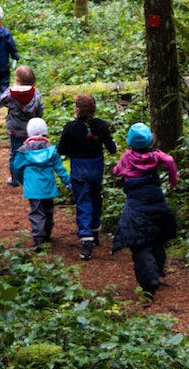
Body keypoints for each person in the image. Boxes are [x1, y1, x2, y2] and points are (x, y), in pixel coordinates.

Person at [111, 122, 177, 300]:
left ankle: (149, 281)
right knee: (158, 237)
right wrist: (173, 181)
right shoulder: (155, 155)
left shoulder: (127, 157)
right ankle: (160, 271)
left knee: (139, 242)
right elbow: (170, 161)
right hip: (156, 200)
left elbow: (116, 172)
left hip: (136, 205)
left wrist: (118, 172)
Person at [57, 94, 117, 260]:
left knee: (83, 200)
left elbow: (61, 150)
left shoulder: (70, 127)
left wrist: (73, 150)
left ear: (77, 109)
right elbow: (112, 149)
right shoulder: (102, 126)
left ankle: (86, 238)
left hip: (78, 168)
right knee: (95, 196)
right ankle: (95, 229)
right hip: (96, 168)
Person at [12, 118, 72, 251]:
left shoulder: (23, 150)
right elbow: (60, 168)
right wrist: (68, 182)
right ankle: (47, 233)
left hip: (33, 188)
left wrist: (23, 181)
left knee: (37, 212)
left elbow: (16, 168)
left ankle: (38, 239)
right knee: (48, 210)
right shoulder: (51, 149)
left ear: (29, 133)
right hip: (48, 186)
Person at [0, 65, 44, 186]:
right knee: (31, 152)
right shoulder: (35, 94)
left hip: (15, 130)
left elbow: (0, 102)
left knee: (15, 153)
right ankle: (31, 176)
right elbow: (41, 110)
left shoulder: (10, 93)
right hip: (32, 130)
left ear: (17, 80)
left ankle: (15, 179)